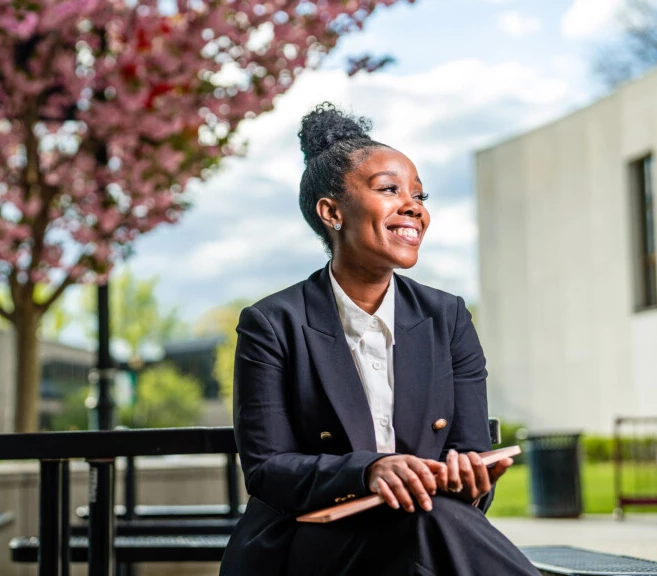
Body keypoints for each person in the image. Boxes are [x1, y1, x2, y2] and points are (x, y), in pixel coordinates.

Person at [218, 103, 538, 575]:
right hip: (307, 537)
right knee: (421, 524)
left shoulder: (447, 317)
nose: (414, 207)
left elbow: (468, 452)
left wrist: (470, 479)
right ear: (332, 212)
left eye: (419, 196)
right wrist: (369, 471)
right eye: (390, 190)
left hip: (422, 527)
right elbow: (268, 469)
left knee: (421, 520)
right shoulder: (271, 323)